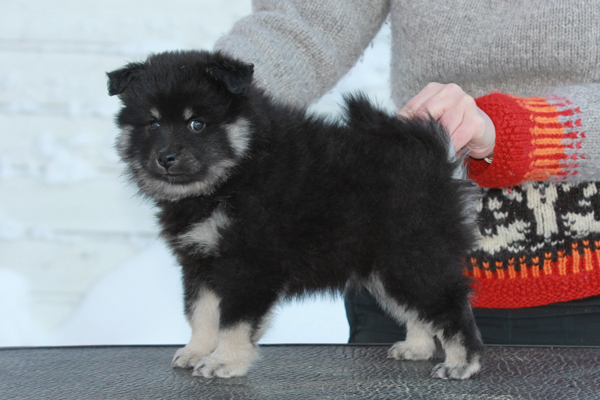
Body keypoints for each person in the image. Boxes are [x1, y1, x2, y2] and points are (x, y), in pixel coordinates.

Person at [214, 0, 600, 345]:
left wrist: (512, 130)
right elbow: (301, 24)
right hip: (395, 279)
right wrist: (208, 102)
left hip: (583, 296)